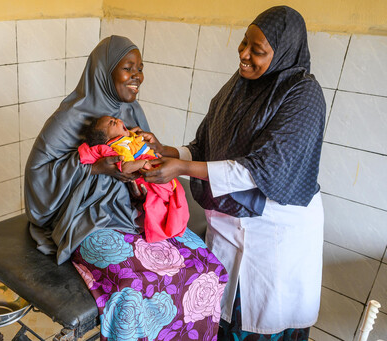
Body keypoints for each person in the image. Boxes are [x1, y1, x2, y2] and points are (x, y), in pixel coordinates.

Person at [139, 6, 326, 340]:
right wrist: (171, 152)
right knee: (224, 316)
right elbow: (208, 142)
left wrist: (182, 168)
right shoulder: (239, 87)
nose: (244, 54)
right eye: (244, 43)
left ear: (283, 52)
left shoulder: (303, 94)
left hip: (274, 234)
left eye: (258, 51)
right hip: (228, 225)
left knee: (265, 322)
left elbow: (265, 168)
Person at [24, 35, 228, 340]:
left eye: (140, 68)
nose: (137, 76)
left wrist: (151, 158)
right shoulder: (69, 117)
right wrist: (96, 167)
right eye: (128, 68)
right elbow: (38, 176)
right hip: (89, 218)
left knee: (204, 264)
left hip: (138, 211)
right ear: (104, 72)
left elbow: (147, 162)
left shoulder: (131, 112)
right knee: (133, 289)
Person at [78, 115, 189, 243]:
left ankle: (174, 224)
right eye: (113, 123)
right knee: (160, 204)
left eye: (116, 119)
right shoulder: (119, 145)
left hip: (158, 170)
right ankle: (164, 228)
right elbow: (125, 167)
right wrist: (144, 163)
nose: (119, 120)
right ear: (107, 138)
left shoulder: (127, 138)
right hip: (147, 176)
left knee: (177, 196)